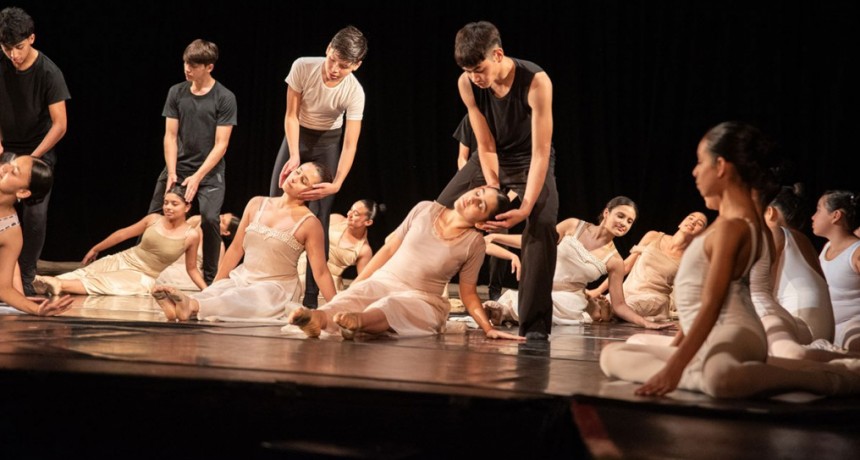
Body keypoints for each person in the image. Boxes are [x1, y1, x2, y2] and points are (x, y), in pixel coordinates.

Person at [600, 121, 860, 399]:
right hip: (714, 336)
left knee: (720, 379)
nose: (694, 171)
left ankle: (829, 377)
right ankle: (724, 371)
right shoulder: (728, 223)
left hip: (735, 333)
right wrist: (677, 350)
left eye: (700, 162)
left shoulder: (735, 226)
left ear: (721, 167)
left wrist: (673, 369)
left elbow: (712, 303)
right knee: (611, 355)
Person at [436, 21, 557, 340]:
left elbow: (541, 152)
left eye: (479, 69)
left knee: (542, 225)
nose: (475, 77)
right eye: (468, 70)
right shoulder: (467, 83)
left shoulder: (536, 82)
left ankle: (534, 327)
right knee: (436, 211)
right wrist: (491, 187)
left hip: (529, 158)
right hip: (490, 155)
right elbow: (485, 145)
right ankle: (419, 294)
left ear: (498, 54)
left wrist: (526, 205)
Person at [285, 186, 523, 341]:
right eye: (478, 192)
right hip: (386, 280)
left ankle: (359, 322)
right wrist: (357, 283)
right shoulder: (424, 209)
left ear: (482, 223)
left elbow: (468, 292)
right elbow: (388, 249)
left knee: (393, 304)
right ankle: (318, 319)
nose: (472, 199)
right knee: (357, 295)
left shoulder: (474, 243)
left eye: (480, 205)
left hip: (422, 299)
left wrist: (488, 328)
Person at [152, 162, 337, 323]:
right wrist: (216, 284)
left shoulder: (310, 224)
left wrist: (338, 307)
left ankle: (191, 306)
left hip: (275, 289)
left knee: (240, 297)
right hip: (243, 277)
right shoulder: (257, 203)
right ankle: (180, 308)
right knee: (220, 292)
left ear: (314, 193)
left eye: (304, 180)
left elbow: (320, 272)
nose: (295, 178)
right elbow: (235, 249)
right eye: (298, 172)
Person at [269, 25, 367, 309]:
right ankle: (271, 284)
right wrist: (295, 154)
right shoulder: (303, 67)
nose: (335, 69)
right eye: (333, 59)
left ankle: (311, 295)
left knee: (319, 216)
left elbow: (350, 144)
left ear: (356, 66)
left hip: (328, 143)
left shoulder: (354, 92)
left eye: (344, 66)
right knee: (277, 202)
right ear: (328, 49)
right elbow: (290, 114)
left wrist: (337, 182)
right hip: (297, 134)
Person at [484, 197, 672, 329]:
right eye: (620, 216)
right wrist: (495, 237)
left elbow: (620, 305)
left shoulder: (615, 261)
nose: (624, 223)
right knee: (533, 296)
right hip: (541, 284)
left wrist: (645, 322)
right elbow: (536, 242)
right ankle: (505, 313)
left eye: (630, 221)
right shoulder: (573, 225)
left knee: (546, 302)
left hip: (568, 299)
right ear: (607, 213)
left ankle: (505, 313)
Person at [146, 39, 237, 286]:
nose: (187, 68)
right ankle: (142, 269)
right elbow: (171, 135)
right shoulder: (176, 92)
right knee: (154, 214)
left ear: (209, 67)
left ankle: (210, 279)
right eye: (186, 62)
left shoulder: (224, 97)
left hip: (209, 172)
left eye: (194, 65)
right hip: (179, 166)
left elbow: (222, 144)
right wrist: (173, 172)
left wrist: (197, 177)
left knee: (209, 218)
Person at [0, 7, 71, 296]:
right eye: (7, 49)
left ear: (31, 38)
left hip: (39, 150)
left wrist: (33, 156)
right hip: (8, 146)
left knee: (34, 215)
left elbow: (60, 125)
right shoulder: (2, 63)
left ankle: (26, 277)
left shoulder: (48, 72)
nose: (14, 55)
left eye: (18, 47)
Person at [32, 186, 206, 296]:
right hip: (124, 259)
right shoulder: (153, 219)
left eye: (174, 204)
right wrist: (96, 248)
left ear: (187, 207)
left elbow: (191, 268)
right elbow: (123, 234)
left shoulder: (191, 235)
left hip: (143, 275)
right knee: (85, 272)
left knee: (104, 283)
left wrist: (207, 291)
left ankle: (58, 284)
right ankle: (47, 282)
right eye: (166, 202)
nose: (168, 207)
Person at [588, 212, 710, 321]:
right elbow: (625, 266)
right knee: (595, 308)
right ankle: (604, 312)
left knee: (627, 306)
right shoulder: (653, 236)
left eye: (699, 223)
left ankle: (609, 312)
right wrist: (598, 290)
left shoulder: (691, 257)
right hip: (627, 290)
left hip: (654, 298)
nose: (693, 222)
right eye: (690, 218)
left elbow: (689, 288)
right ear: (681, 223)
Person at [0, 155, 71, 314]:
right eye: (9, 164)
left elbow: (3, 288)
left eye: (14, 172)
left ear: (23, 192)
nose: (4, 168)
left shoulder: (9, 231)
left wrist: (37, 309)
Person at [764, 185, 834, 344]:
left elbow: (764, 284)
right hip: (824, 328)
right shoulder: (805, 242)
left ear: (770, 212)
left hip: (801, 323)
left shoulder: (776, 233)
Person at [297, 199, 377, 297]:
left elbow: (363, 282)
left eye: (355, 214)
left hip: (325, 286)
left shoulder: (364, 250)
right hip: (300, 268)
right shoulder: (335, 219)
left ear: (368, 222)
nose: (349, 214)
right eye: (350, 210)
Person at [812, 189, 860, 351]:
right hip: (829, 331)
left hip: (854, 332)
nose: (813, 217)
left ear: (836, 215)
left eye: (818, 210)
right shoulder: (826, 248)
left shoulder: (856, 253)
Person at [154, 212, 239, 291]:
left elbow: (218, 273)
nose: (219, 219)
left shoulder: (219, 246)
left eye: (223, 222)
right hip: (169, 264)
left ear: (226, 232)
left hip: (188, 276)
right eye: (222, 215)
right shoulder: (197, 221)